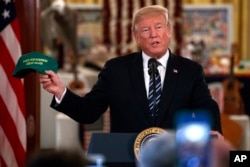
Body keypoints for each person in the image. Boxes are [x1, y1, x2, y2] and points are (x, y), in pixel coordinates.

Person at [40, 5, 222, 134]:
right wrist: (60, 91)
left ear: (169, 31)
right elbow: (89, 111)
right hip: (125, 158)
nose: (153, 34)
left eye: (159, 27)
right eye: (145, 30)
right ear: (136, 36)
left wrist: (213, 132)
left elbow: (206, 108)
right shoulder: (115, 69)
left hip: (174, 157)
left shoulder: (190, 71)